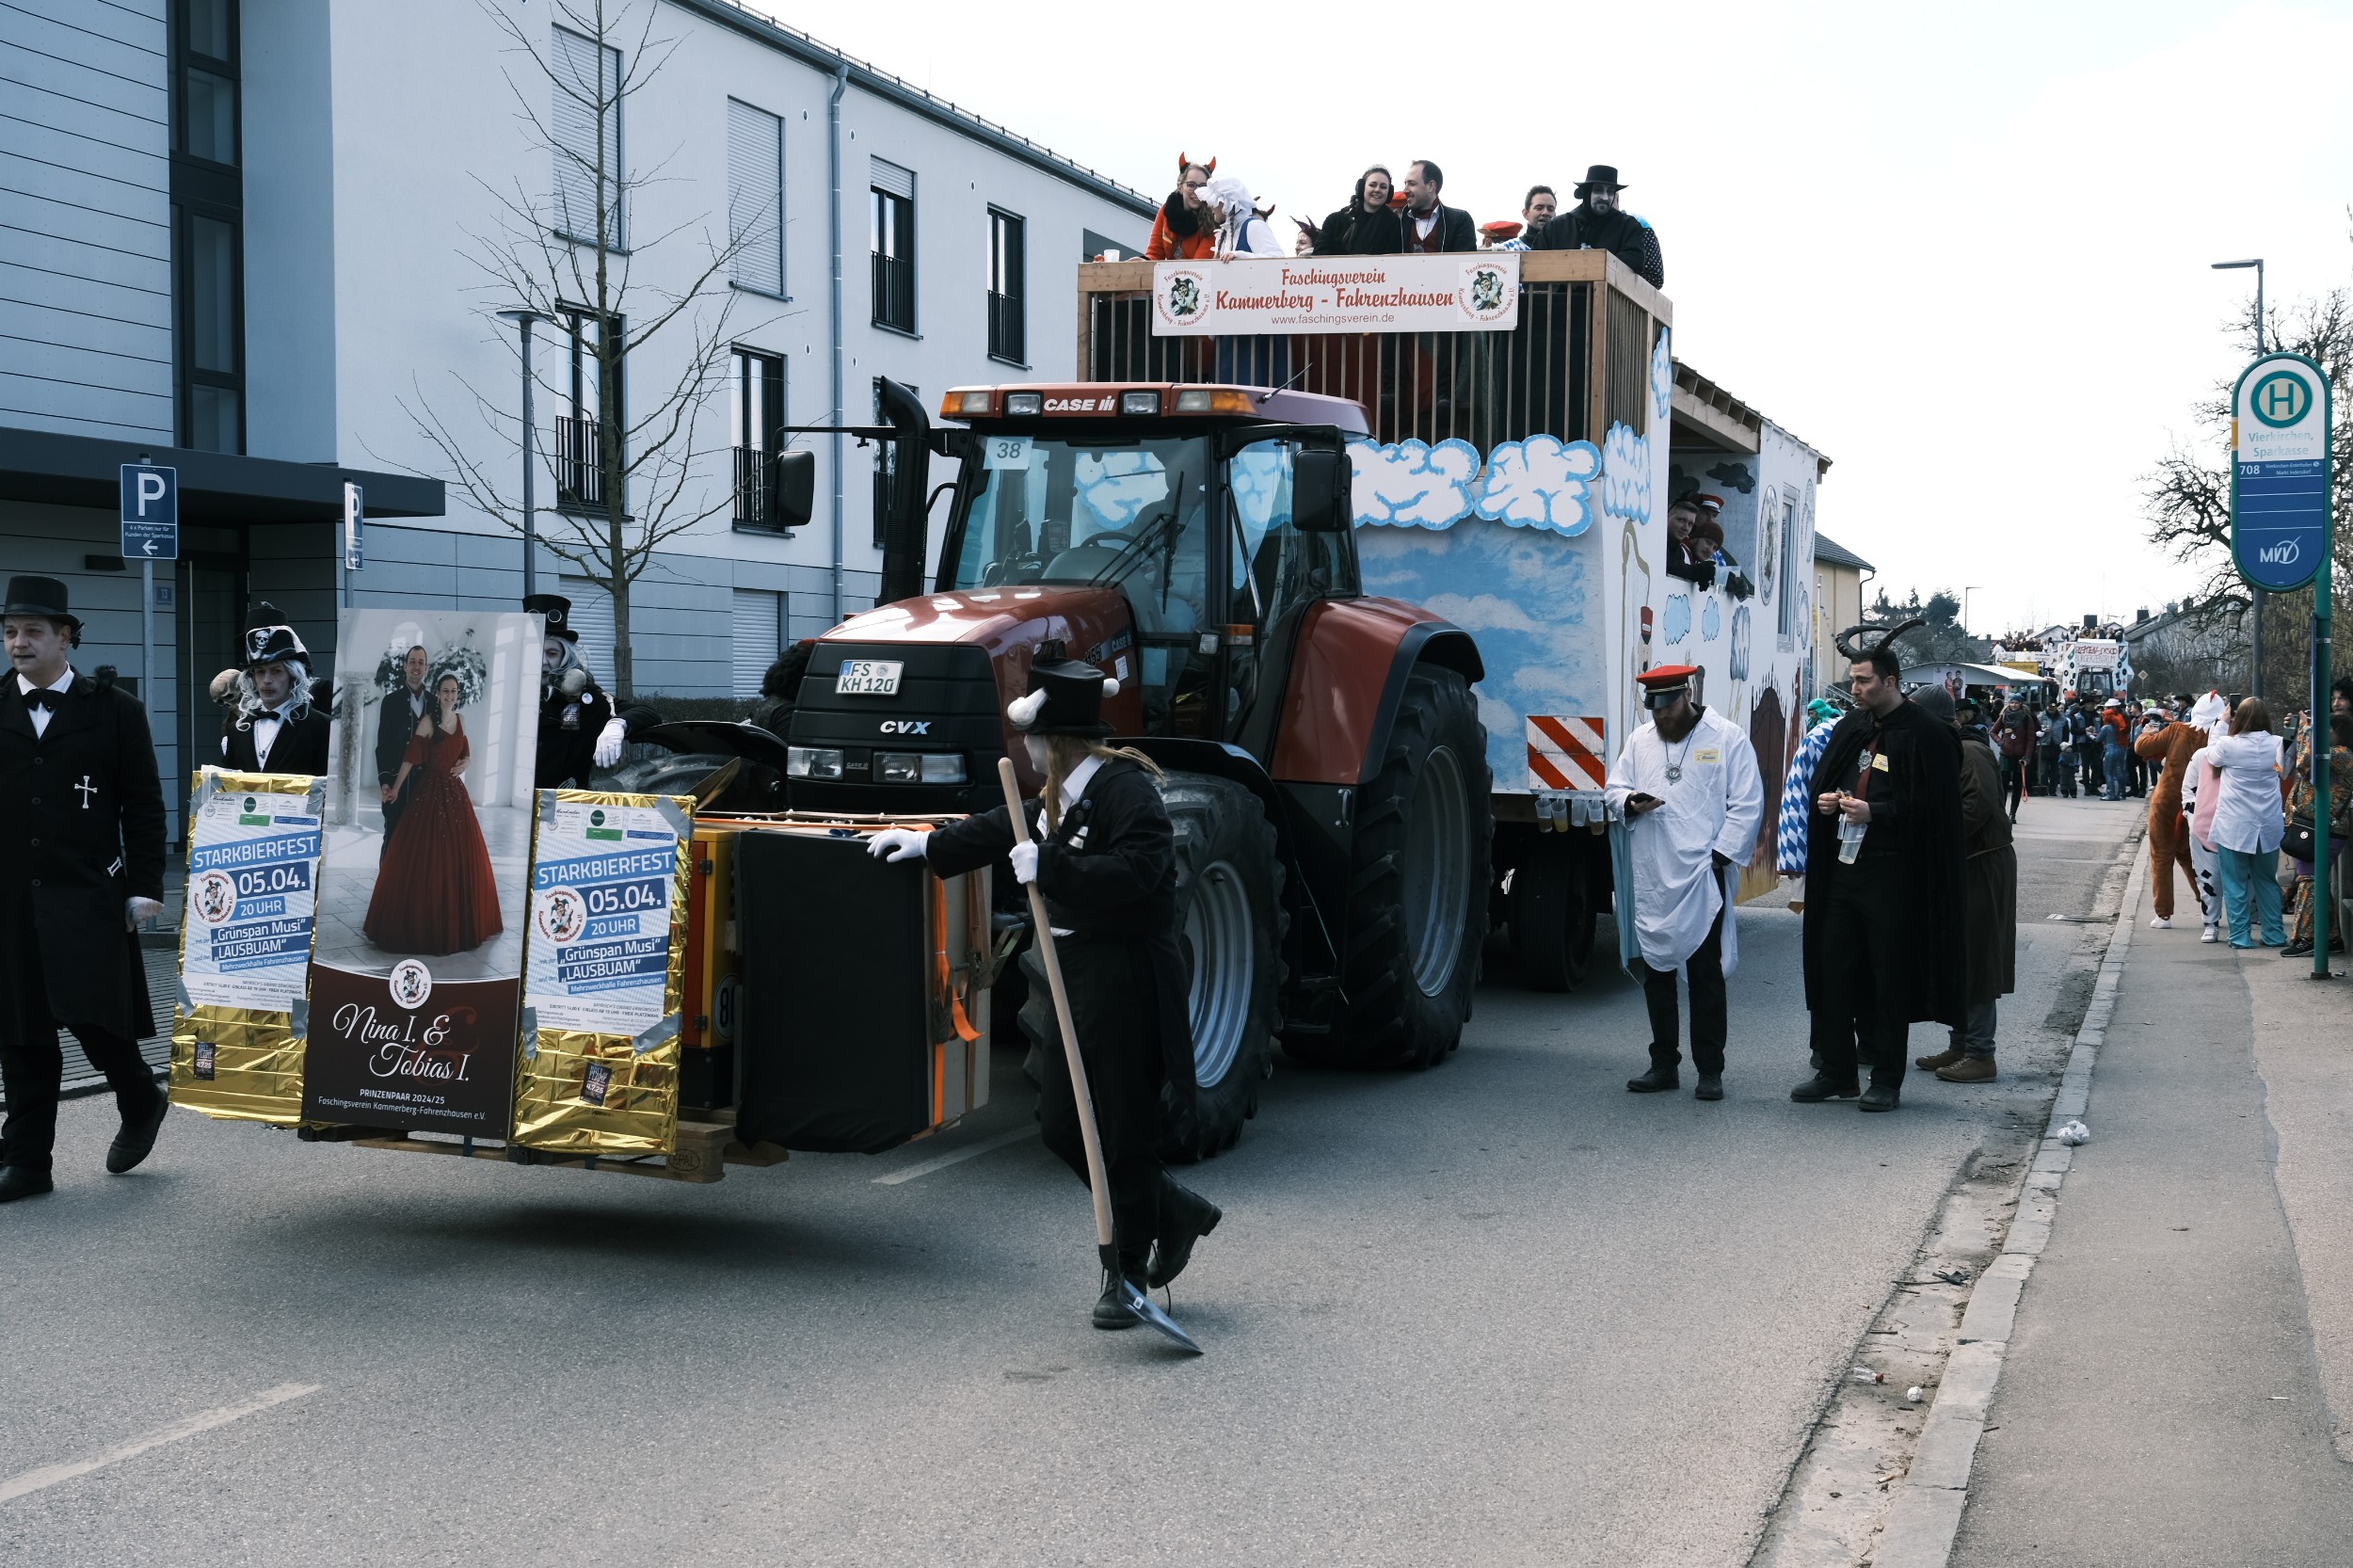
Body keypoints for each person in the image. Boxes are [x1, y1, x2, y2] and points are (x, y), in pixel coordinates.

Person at [868, 653, 1216, 1327]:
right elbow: (1005, 825)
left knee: (1121, 1127)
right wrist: (929, 847)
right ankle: (1173, 1208)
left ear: (1053, 741)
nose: (1023, 749)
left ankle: (1125, 1274)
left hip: (1125, 975)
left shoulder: (1126, 791)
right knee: (1062, 1125)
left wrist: (1051, 864)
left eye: (1031, 738)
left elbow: (1143, 873)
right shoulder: (1058, 794)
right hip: (1073, 971)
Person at [0, 576, 168, 1203]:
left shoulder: (115, 709)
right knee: (21, 1029)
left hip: (89, 889)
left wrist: (145, 885)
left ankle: (140, 1096)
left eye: (32, 631)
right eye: (10, 632)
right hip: (11, 896)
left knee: (92, 1016)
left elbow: (143, 805)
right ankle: (27, 1163)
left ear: (65, 636)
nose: (18, 642)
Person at [1794, 619, 1967, 1112]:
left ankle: (1886, 1079)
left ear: (1890, 681)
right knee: (1833, 969)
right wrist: (1828, 801)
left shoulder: (1928, 733)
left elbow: (1939, 811)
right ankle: (1837, 1071)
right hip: (1843, 870)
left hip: (1894, 874)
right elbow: (1827, 779)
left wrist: (1879, 812)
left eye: (1863, 680)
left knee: (1888, 976)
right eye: (1852, 680)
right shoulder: (1851, 727)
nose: (1854, 688)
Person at [1606, 665, 1764, 1101]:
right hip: (1654, 873)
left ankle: (1710, 1070)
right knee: (1657, 971)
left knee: (1704, 973)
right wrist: (1630, 802)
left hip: (1701, 874)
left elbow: (1747, 803)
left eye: (1668, 706)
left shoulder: (1727, 737)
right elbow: (1614, 788)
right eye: (1654, 708)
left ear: (1687, 694)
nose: (1661, 716)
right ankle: (1663, 1066)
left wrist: (1720, 856)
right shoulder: (1640, 740)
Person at [363, 669, 504, 955]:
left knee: (458, 854)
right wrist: (394, 788)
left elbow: (465, 751)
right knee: (426, 855)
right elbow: (410, 758)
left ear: (458, 694)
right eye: (445, 691)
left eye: (454, 691)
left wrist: (467, 762)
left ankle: (458, 920)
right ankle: (423, 921)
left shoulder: (461, 719)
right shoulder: (428, 721)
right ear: (437, 694)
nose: (449, 695)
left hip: (456, 795)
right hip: (429, 791)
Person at [1915, 692, 2014, 1084]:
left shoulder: (1970, 752)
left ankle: (1980, 1053)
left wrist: (1931, 836)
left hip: (1982, 863)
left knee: (1978, 955)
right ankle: (1961, 1044)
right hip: (1966, 861)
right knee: (1959, 955)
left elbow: (1978, 807)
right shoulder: (1954, 748)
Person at [528, 594, 661, 791]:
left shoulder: (585, 699)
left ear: (565, 657)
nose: (543, 662)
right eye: (536, 651)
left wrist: (617, 724)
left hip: (567, 805)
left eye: (551, 653)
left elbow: (647, 713)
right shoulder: (504, 695)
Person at [216, 601, 331, 775]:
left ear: (292, 675)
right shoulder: (237, 730)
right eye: (260, 672)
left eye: (276, 671)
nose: (267, 680)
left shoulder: (321, 727)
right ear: (252, 677)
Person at [2208, 696, 2287, 950]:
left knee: (2235, 883)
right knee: (2267, 881)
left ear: (2238, 717)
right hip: (2268, 825)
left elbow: (2212, 757)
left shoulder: (2228, 745)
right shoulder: (2277, 743)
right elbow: (2283, 770)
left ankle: (2240, 936)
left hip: (2234, 825)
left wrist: (2221, 724)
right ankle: (2274, 934)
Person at [1525, 164, 1665, 289]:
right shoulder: (1555, 227)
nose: (1605, 197)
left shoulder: (1628, 227)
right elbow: (1533, 268)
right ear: (1587, 192)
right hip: (1557, 307)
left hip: (1608, 308)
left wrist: (1596, 262)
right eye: (1598, 190)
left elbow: (1634, 261)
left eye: (1610, 191)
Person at [2282, 712, 2352, 957]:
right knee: (2313, 880)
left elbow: (2304, 762)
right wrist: (2298, 732)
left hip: (2324, 828)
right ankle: (2330, 938)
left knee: (2310, 881)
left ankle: (2308, 937)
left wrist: (2305, 729)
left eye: (2326, 729)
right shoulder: (2334, 754)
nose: (2322, 734)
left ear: (2340, 732)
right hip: (2314, 826)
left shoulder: (2342, 754)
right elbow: (2289, 767)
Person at [2134, 703, 2210, 930]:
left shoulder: (2178, 729)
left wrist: (2146, 732)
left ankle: (2163, 914)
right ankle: (2208, 903)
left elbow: (2142, 748)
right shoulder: (2219, 736)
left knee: (2161, 856)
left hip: (2167, 800)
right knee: (2191, 856)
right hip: (2199, 803)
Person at [377, 641, 431, 853]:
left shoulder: (435, 703)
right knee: (393, 842)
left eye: (421, 662)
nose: (416, 667)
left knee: (422, 845)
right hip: (396, 785)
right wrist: (385, 781)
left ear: (426, 667)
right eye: (412, 662)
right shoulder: (390, 702)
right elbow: (383, 746)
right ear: (405, 666)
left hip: (426, 787)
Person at [1303, 165, 1400, 257]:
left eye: (1383, 187)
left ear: (1389, 192)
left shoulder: (1394, 224)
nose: (1377, 190)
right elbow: (1319, 259)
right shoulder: (1334, 221)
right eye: (1372, 185)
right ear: (1362, 187)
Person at [1395, 159, 1478, 253]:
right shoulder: (1399, 222)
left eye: (1412, 184)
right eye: (1405, 184)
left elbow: (1465, 261)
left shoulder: (1460, 220)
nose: (1405, 190)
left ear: (1431, 186)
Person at [1144, 154, 1217, 262]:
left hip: (1195, 271)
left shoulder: (1212, 221)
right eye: (1191, 185)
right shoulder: (1165, 211)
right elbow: (1155, 253)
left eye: (1203, 186)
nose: (1197, 191)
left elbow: (1200, 266)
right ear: (1180, 187)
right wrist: (1143, 261)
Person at [1993, 696, 2036, 821]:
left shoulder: (2026, 719)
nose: (2013, 705)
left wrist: (2027, 757)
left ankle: (2013, 814)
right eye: (2011, 702)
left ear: (2021, 704)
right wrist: (2000, 742)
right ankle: (2001, 813)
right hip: (2005, 755)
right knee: (2003, 785)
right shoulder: (2004, 716)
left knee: (2017, 786)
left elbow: (2031, 739)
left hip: (2020, 757)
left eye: (2016, 703)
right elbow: (1993, 731)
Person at [2099, 697, 2130, 801]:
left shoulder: (2117, 716)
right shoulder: (2122, 715)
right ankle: (2120, 792)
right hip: (2121, 744)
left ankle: (2114, 792)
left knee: (2112, 771)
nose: (2108, 709)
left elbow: (2123, 730)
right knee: (2119, 770)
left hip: (2117, 744)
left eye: (2109, 707)